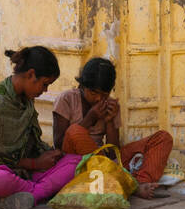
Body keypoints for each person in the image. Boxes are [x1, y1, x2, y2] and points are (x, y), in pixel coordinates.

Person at [0, 46, 80, 209]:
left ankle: (24, 196)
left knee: (76, 162)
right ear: (30, 75)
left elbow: (32, 142)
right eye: (44, 84)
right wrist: (36, 163)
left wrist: (49, 156)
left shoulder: (26, 100)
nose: (45, 91)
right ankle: (38, 193)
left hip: (25, 174)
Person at [52, 57, 173, 199]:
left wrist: (110, 121)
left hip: (105, 161)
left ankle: (141, 182)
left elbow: (113, 154)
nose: (98, 99)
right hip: (77, 161)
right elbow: (59, 144)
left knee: (163, 138)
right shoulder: (66, 99)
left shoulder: (110, 105)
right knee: (74, 131)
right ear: (82, 85)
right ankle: (127, 185)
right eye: (93, 93)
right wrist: (90, 117)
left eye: (104, 94)